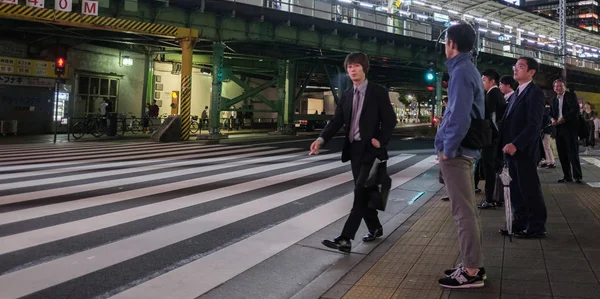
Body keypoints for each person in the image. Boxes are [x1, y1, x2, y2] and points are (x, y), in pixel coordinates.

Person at [309, 52, 396, 253]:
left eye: (356, 66)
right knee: (363, 193)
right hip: (354, 151)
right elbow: (337, 121)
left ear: (364, 68)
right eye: (349, 67)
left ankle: (345, 238)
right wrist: (321, 139)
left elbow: (390, 120)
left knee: (359, 191)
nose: (353, 70)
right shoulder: (347, 95)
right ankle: (375, 227)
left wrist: (380, 140)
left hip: (371, 151)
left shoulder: (378, 92)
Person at [435, 22, 485, 289]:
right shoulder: (468, 70)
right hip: (465, 149)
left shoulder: (461, 72)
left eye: (445, 42)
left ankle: (471, 271)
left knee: (463, 212)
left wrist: (447, 149)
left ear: (451, 44)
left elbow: (459, 116)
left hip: (459, 152)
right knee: (465, 210)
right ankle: (471, 263)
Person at [499, 57, 547, 239]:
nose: (515, 69)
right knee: (516, 188)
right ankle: (519, 222)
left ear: (531, 72)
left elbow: (534, 126)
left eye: (520, 66)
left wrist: (516, 144)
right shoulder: (518, 92)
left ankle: (537, 226)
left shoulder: (535, 93)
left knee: (529, 188)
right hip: (511, 150)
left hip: (524, 150)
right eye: (515, 66)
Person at [478, 69, 507, 209]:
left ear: (492, 81)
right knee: (494, 167)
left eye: (484, 80)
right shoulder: (498, 94)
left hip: (490, 138)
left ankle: (490, 198)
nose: (482, 82)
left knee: (489, 168)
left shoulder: (492, 94)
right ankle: (497, 197)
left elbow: (490, 118)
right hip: (495, 137)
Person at [551, 80, 582, 183]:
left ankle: (577, 176)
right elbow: (550, 113)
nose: (558, 88)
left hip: (569, 128)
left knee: (573, 152)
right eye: (556, 86)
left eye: (560, 86)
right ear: (554, 88)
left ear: (564, 87)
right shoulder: (553, 99)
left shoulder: (570, 96)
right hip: (558, 129)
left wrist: (564, 118)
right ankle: (567, 176)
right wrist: (552, 119)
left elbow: (575, 109)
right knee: (562, 154)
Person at [539, 100, 556, 168]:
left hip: (546, 130)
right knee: (546, 146)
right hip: (548, 130)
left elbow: (545, 120)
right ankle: (548, 160)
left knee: (546, 146)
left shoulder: (546, 110)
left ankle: (551, 161)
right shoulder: (549, 109)